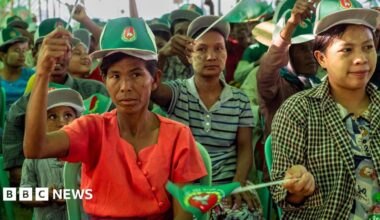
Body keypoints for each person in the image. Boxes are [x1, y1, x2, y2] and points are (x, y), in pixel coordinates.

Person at [23, 17, 206, 219]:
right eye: (115, 76)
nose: (125, 87)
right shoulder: (92, 129)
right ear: (105, 80)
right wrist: (42, 74)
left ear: (155, 79)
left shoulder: (177, 136)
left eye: (136, 74)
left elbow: (183, 215)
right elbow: (35, 147)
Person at [270, 0, 380, 218]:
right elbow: (280, 193)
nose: (360, 59)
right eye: (346, 50)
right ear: (322, 59)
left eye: (368, 47)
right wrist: (296, 188)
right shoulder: (297, 111)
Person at [151, 15, 262, 219]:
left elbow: (244, 147)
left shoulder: (240, 100)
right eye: (201, 49)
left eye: (218, 48)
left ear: (226, 54)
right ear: (189, 55)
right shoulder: (177, 92)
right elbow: (150, 87)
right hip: (187, 187)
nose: (211, 56)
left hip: (228, 183)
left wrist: (237, 184)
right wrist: (162, 55)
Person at [2, 18, 108, 187]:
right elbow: (19, 176)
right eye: (51, 48)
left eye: (65, 49)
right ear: (36, 54)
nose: (58, 56)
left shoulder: (96, 91)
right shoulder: (22, 107)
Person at [257, 0, 319, 140]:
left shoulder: (319, 84)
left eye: (314, 47)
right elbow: (269, 68)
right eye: (302, 49)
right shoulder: (275, 85)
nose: (311, 55)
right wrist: (291, 25)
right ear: (288, 55)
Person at [20, 88, 85, 220]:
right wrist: (44, 195)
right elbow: (24, 194)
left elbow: (99, 191)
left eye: (68, 115)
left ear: (78, 120)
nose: (61, 122)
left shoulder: (86, 154)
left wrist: (74, 194)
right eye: (52, 116)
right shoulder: (33, 158)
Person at [0, 27, 34, 113]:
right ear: (3, 55)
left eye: (23, 50)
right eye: (16, 50)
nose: (22, 55)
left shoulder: (32, 77)